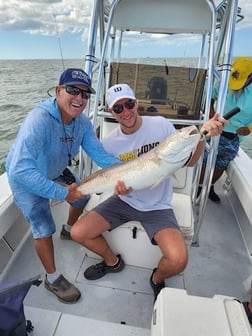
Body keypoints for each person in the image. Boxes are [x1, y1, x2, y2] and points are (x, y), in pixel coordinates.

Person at [71, 83, 225, 302]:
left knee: (178, 260)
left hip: (157, 206)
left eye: (129, 104)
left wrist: (201, 137)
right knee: (78, 232)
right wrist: (79, 192)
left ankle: (157, 278)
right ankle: (112, 262)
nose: (125, 111)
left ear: (137, 103)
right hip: (123, 200)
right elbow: (106, 177)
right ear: (112, 112)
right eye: (118, 108)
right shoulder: (109, 143)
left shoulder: (161, 126)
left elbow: (189, 162)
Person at [5, 68, 121, 304]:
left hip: (55, 169)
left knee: (81, 197)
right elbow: (20, 169)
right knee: (43, 227)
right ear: (58, 91)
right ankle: (52, 277)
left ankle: (68, 229)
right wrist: (60, 192)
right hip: (27, 178)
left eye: (85, 94)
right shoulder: (39, 120)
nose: (79, 98)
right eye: (72, 90)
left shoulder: (82, 123)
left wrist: (129, 170)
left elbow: (101, 156)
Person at [198, 56, 252, 203]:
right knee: (203, 160)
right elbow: (209, 98)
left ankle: (209, 188)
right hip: (213, 127)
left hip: (233, 135)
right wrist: (210, 115)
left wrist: (249, 128)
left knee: (221, 163)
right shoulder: (222, 81)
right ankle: (198, 186)